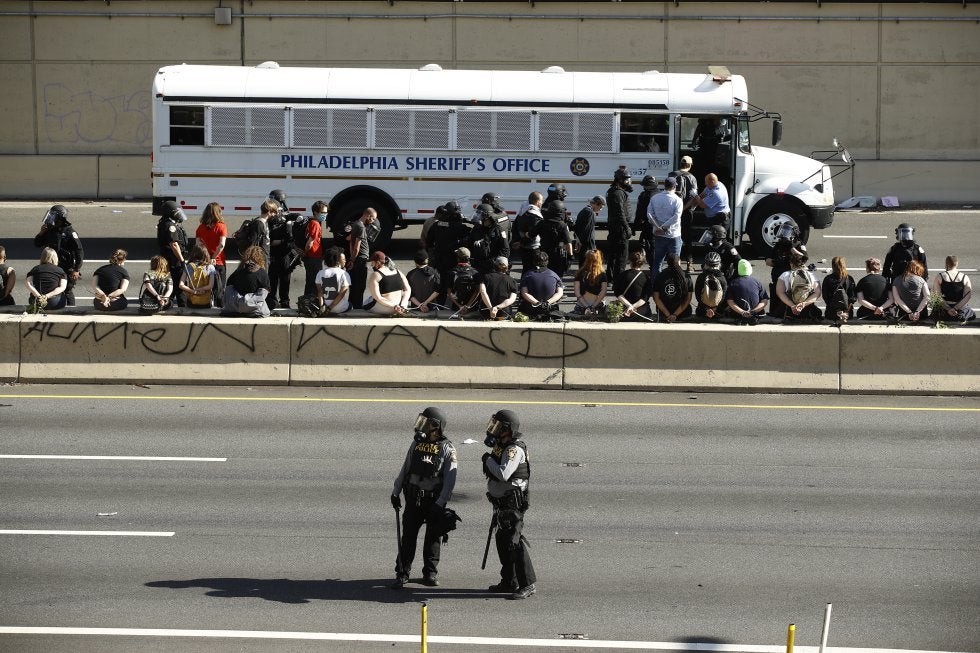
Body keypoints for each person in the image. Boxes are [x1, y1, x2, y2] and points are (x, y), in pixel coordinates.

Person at [391, 407, 458, 588]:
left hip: (433, 502)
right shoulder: (416, 444)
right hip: (413, 501)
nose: (421, 426)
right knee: (408, 539)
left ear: (435, 427)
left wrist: (440, 502)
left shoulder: (447, 448)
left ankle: (430, 573)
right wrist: (396, 491)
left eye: (425, 423)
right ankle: (402, 572)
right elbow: (405, 468)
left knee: (432, 539)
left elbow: (450, 481)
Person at [482, 409, 536, 600]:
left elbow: (503, 473)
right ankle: (509, 580)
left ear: (508, 430)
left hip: (512, 503)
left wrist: (488, 460)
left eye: (498, 427)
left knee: (514, 542)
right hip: (501, 503)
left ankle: (527, 584)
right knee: (502, 541)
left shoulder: (514, 449)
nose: (493, 429)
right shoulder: (501, 444)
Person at [34, 204, 84, 306]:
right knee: (51, 289)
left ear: (60, 217)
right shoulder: (49, 229)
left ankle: (71, 310)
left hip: (66, 266)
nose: (50, 218)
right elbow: (37, 243)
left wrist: (76, 270)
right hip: (52, 265)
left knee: (67, 291)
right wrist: (41, 233)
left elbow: (79, 251)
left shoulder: (70, 232)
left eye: (53, 215)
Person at [426, 201, 472, 300]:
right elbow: (471, 235)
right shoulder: (458, 227)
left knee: (440, 281)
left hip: (439, 258)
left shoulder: (437, 224)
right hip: (453, 259)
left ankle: (439, 303)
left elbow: (428, 241)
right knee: (452, 282)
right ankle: (454, 304)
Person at [765, 222, 807, 318]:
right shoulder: (779, 244)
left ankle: (790, 314)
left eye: (787, 231)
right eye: (784, 230)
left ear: (794, 233)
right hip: (777, 277)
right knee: (776, 296)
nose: (784, 233)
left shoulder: (799, 245)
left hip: (791, 279)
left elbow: (803, 258)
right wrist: (777, 262)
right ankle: (775, 314)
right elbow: (767, 260)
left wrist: (791, 248)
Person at [155, 200, 189, 307]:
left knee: (171, 283)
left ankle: (167, 304)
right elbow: (174, 244)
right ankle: (182, 307)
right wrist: (182, 260)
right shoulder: (170, 226)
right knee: (180, 283)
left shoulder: (164, 222)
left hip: (168, 259)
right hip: (174, 260)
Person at [222, 245, 271, 318]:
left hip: (235, 306)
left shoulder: (238, 271)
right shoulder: (262, 272)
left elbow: (229, 284)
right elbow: (266, 289)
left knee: (230, 288)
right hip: (252, 306)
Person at [647, 176, 683, 275]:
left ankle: (655, 286)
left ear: (664, 185)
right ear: (675, 186)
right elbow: (676, 217)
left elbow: (649, 215)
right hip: (673, 236)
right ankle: (674, 286)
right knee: (675, 263)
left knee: (657, 263)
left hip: (658, 235)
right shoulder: (677, 200)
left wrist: (658, 227)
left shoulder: (655, 197)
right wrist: (663, 227)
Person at [195, 202, 228, 308]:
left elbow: (198, 245)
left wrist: (207, 258)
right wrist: (214, 257)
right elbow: (221, 245)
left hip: (204, 261)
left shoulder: (200, 228)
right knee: (219, 288)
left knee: (206, 286)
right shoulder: (221, 227)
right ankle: (219, 308)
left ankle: (206, 304)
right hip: (218, 261)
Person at [532, 199, 574, 278]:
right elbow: (568, 243)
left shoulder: (542, 223)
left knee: (544, 275)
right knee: (557, 277)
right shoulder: (562, 225)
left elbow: (531, 235)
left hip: (544, 254)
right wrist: (570, 256)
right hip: (558, 255)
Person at [346, 207, 378, 309]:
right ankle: (357, 307)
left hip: (356, 259)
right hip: (360, 260)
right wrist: (353, 260)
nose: (373, 222)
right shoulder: (361, 227)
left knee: (354, 285)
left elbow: (350, 241)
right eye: (373, 219)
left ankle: (351, 305)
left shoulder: (356, 224)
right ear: (368, 216)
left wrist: (351, 259)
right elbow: (357, 246)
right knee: (360, 286)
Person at [605, 166, 634, 280]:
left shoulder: (614, 191)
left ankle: (611, 277)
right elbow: (620, 212)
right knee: (622, 255)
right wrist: (626, 227)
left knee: (613, 254)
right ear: (620, 180)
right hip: (619, 227)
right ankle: (618, 278)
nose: (628, 182)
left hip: (615, 226)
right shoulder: (617, 193)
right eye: (626, 179)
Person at [776, 252, 822, 321]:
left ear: (791, 264)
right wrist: (804, 304)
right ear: (803, 263)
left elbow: (780, 293)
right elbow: (817, 293)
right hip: (808, 311)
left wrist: (792, 305)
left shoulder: (784, 275)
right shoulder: (811, 275)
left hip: (788, 310)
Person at [518, 251, 564, 320]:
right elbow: (560, 293)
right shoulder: (554, 275)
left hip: (530, 311)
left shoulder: (527, 275)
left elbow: (524, 293)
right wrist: (548, 302)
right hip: (550, 311)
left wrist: (537, 303)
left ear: (533, 261)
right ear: (547, 262)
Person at [467, 203, 510, 275]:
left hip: (491, 268)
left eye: (480, 215)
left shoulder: (498, 230)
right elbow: (470, 243)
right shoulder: (477, 228)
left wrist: (493, 262)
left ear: (487, 217)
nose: (479, 217)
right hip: (477, 266)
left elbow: (505, 250)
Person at [364, 251, 410, 316]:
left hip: (387, 308)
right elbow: (408, 289)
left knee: (367, 302)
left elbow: (378, 298)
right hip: (400, 306)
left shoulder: (375, 275)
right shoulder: (398, 271)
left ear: (377, 263)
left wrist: (394, 306)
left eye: (372, 262)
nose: (371, 265)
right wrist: (403, 305)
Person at [611, 250, 652, 321]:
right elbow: (645, 298)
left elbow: (618, 293)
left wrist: (629, 306)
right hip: (640, 311)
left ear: (630, 262)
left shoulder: (622, 275)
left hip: (623, 309)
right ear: (642, 263)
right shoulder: (646, 278)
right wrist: (633, 306)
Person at [725, 259, 768, 325]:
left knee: (727, 309)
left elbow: (730, 301)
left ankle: (741, 318)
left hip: (738, 314)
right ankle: (753, 317)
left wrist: (742, 312)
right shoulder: (757, 282)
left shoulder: (733, 283)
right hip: (756, 314)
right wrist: (754, 311)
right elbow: (764, 300)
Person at [932, 255, 975, 322]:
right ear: (957, 263)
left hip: (944, 310)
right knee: (971, 313)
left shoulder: (939, 276)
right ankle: (960, 316)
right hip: (959, 310)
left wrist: (948, 309)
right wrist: (955, 308)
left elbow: (937, 296)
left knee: (936, 312)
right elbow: (968, 296)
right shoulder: (964, 277)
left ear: (946, 264)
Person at [651, 253, 693, 323]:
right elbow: (688, 299)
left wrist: (668, 314)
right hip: (684, 314)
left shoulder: (660, 276)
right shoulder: (686, 277)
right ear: (679, 262)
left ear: (667, 263)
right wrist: (675, 314)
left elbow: (656, 298)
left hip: (663, 315)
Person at [25, 247, 68, 312]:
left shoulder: (35, 269)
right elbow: (62, 287)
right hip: (54, 303)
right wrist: (46, 296)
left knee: (31, 298)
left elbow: (28, 284)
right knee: (64, 296)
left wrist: (39, 296)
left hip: (36, 302)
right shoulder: (60, 270)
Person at [670, 156, 698, 254]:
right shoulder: (692, 177)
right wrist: (683, 208)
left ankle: (673, 259)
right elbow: (693, 196)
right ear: (689, 165)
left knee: (673, 234)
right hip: (686, 211)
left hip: (672, 210)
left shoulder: (672, 175)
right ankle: (689, 262)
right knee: (687, 235)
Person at [511, 192, 544, 272]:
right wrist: (521, 242)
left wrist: (517, 241)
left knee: (526, 269)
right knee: (533, 271)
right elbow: (533, 234)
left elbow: (514, 227)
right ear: (537, 202)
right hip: (533, 248)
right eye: (541, 201)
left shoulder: (522, 212)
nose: (542, 203)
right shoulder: (535, 216)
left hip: (523, 248)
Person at [479, 256, 519, 320]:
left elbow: (483, 292)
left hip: (485, 313)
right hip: (504, 314)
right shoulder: (512, 281)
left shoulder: (485, 277)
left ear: (494, 265)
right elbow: (511, 299)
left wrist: (490, 308)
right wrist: (497, 307)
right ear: (507, 266)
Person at [315, 246, 352, 315]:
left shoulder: (320, 273)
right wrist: (330, 308)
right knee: (350, 305)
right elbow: (342, 293)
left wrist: (322, 307)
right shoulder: (344, 273)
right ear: (337, 261)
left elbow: (320, 292)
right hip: (341, 308)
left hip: (325, 308)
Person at [303, 200, 328, 297]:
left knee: (310, 281)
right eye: (323, 212)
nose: (325, 214)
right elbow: (310, 242)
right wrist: (305, 253)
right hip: (314, 257)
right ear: (316, 212)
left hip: (312, 258)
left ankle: (308, 301)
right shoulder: (316, 224)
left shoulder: (312, 222)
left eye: (326, 212)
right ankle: (310, 303)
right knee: (314, 283)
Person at [178, 244, 216, 309]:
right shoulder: (210, 267)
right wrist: (200, 290)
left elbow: (181, 285)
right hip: (205, 302)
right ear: (205, 254)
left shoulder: (189, 266)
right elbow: (210, 286)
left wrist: (194, 291)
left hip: (192, 302)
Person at [446, 247, 482, 316]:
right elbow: (478, 291)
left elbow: (449, 293)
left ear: (458, 258)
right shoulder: (475, 272)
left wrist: (460, 306)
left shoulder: (452, 272)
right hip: (472, 309)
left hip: (456, 309)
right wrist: (468, 306)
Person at [891, 259, 930, 323]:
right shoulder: (921, 280)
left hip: (904, 314)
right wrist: (917, 312)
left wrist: (909, 312)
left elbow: (897, 299)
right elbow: (927, 296)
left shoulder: (896, 280)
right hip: (921, 314)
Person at [572, 249, 608, 316]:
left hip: (581, 306)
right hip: (598, 306)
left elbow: (577, 292)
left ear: (586, 259)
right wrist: (593, 306)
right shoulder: (602, 275)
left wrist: (587, 307)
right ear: (599, 260)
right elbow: (603, 292)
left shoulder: (579, 273)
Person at [694, 251, 728, 321]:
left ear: (705, 264)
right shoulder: (722, 278)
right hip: (718, 312)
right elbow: (724, 297)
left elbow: (697, 295)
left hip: (702, 312)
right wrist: (714, 309)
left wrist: (707, 309)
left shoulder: (701, 277)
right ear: (719, 264)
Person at [821, 256, 857, 323]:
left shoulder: (828, 279)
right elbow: (853, 297)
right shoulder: (849, 279)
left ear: (833, 266)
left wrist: (837, 311)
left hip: (831, 313)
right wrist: (846, 312)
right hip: (847, 314)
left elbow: (825, 297)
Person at [632, 175, 658, 266]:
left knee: (650, 247)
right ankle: (656, 267)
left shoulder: (644, 196)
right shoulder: (661, 195)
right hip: (661, 226)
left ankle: (652, 267)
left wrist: (635, 227)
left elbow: (639, 213)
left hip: (648, 226)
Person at [406, 250, 442, 314]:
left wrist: (420, 305)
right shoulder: (435, 272)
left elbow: (408, 293)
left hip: (415, 308)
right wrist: (425, 303)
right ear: (427, 260)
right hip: (432, 307)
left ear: (415, 262)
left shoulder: (410, 274)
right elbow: (437, 291)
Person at [573, 196, 604, 266]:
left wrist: (578, 241)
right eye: (601, 207)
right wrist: (592, 248)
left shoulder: (584, 210)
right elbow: (588, 232)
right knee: (588, 266)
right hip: (587, 246)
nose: (601, 209)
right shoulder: (590, 213)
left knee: (582, 265)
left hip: (582, 244)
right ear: (596, 204)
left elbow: (578, 227)